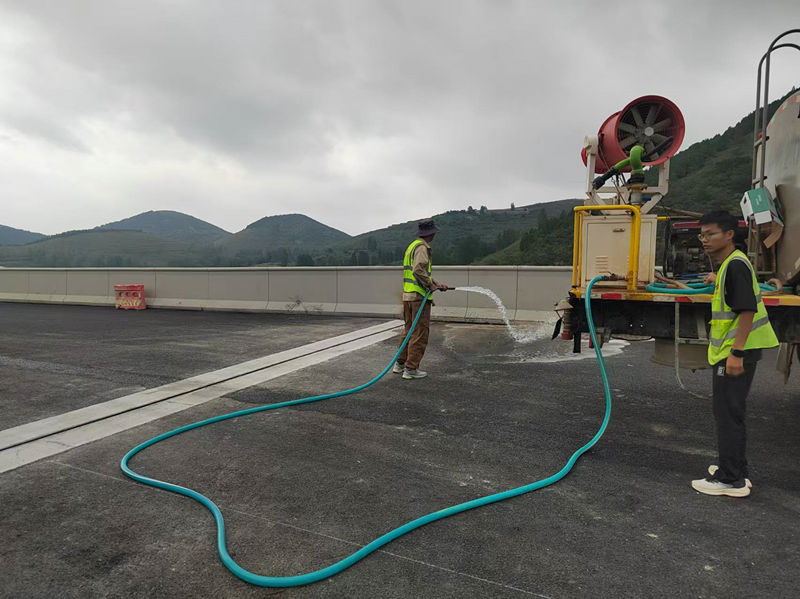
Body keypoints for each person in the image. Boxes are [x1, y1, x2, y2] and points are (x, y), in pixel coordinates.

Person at [683, 210, 779, 498]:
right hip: (738, 351)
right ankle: (736, 470)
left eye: (710, 233)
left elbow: (746, 311)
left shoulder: (735, 266)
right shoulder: (731, 264)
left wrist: (735, 353)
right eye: (702, 235)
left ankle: (730, 479)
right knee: (731, 412)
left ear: (729, 234)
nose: (704, 240)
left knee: (727, 413)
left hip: (736, 353)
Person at [392, 219, 448, 380]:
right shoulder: (423, 248)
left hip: (408, 295)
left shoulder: (413, 246)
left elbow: (418, 271)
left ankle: (400, 364)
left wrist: (435, 283)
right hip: (418, 298)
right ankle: (411, 369)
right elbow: (418, 269)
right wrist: (429, 285)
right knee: (420, 332)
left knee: (408, 330)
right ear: (431, 233)